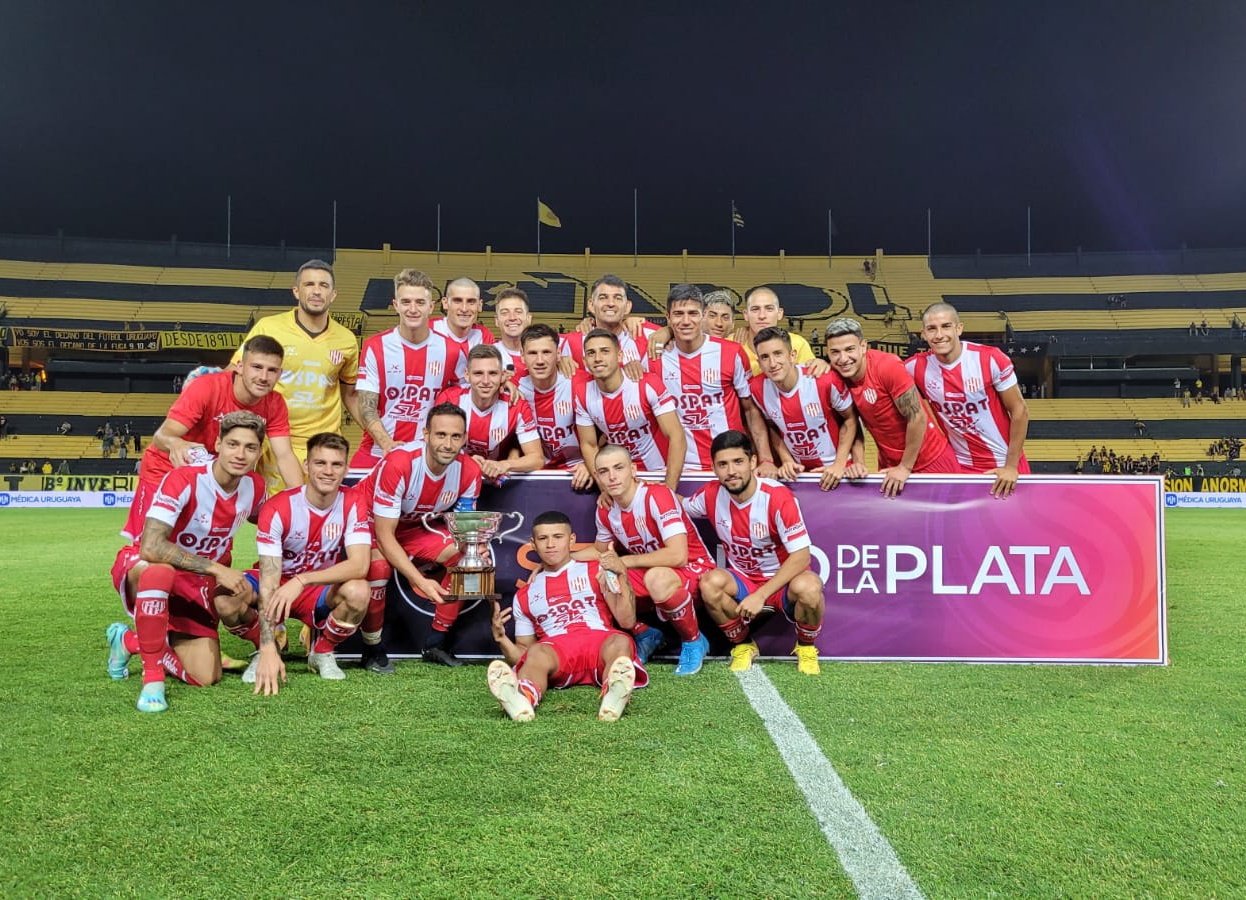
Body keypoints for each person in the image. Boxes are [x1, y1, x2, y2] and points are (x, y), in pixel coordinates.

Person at [104, 411, 268, 713]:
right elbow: (151, 547)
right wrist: (217, 569)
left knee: (205, 676)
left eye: (250, 447)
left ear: (259, 453)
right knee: (159, 572)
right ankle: (153, 680)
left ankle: (129, 641)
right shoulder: (184, 479)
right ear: (217, 444)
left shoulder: (255, 487)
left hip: (196, 582)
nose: (240, 454)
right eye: (233, 444)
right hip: (145, 567)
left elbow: (275, 522)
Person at [120, 334, 298, 542]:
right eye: (257, 367)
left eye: (272, 370)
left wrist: (301, 503)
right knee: (150, 546)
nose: (264, 377)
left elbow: (285, 455)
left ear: (280, 374)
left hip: (216, 478)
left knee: (207, 548)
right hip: (166, 470)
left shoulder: (275, 403)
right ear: (240, 367)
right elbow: (162, 436)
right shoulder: (207, 387)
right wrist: (177, 443)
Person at [682, 431, 825, 675]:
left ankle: (806, 647)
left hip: (783, 583)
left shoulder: (777, 497)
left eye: (738, 462)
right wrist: (637, 492)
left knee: (810, 587)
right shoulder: (710, 494)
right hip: (744, 581)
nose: (731, 471)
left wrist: (761, 595)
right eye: (723, 464)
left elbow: (802, 557)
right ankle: (743, 646)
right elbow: (677, 505)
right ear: (714, 468)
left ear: (753, 462)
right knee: (709, 583)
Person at [485, 510, 645, 722]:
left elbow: (627, 621)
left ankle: (614, 694)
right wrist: (501, 639)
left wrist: (621, 573)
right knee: (536, 652)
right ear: (533, 544)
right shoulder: (524, 595)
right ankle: (522, 698)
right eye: (543, 538)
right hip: (558, 650)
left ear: (571, 540)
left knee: (620, 640)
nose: (550, 544)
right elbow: (523, 654)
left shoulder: (597, 570)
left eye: (558, 537)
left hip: (599, 641)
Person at [248, 433, 373, 694]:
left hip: (317, 590)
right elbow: (269, 579)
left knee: (359, 591)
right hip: (278, 584)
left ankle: (321, 651)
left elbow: (360, 565)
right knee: (228, 597)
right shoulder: (277, 507)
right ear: (306, 465)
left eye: (336, 464)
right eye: (320, 463)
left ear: (346, 469)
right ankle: (267, 649)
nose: (328, 471)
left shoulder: (353, 502)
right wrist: (267, 646)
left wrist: (302, 580)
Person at [359, 403, 483, 666]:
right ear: (426, 434)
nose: (448, 444)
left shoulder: (470, 471)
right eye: (441, 435)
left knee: (471, 561)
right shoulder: (401, 462)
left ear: (464, 439)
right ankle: (372, 647)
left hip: (412, 527)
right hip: (367, 523)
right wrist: (420, 580)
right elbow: (384, 535)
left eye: (456, 437)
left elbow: (463, 530)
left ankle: (436, 643)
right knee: (379, 568)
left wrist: (472, 548)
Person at [232, 259, 362, 489]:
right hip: (275, 439)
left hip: (323, 444)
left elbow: (350, 394)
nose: (316, 291)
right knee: (275, 507)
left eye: (323, 285)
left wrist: (379, 436)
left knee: (319, 507)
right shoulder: (269, 328)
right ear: (296, 291)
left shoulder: (346, 340)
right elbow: (234, 374)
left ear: (333, 294)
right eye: (309, 284)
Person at [588, 444, 712, 675]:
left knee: (656, 577)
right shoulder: (605, 510)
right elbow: (600, 553)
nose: (612, 476)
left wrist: (624, 562)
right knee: (595, 577)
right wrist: (559, 560)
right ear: (598, 477)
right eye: (604, 471)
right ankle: (644, 633)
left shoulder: (657, 495)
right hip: (651, 571)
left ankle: (694, 640)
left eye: (618, 468)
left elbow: (678, 555)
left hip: (694, 569)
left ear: (633, 470)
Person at [823, 317, 961, 497]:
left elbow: (917, 417)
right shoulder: (838, 376)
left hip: (929, 461)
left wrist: (905, 467)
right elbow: (852, 421)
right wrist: (858, 462)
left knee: (948, 515)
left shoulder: (886, 366)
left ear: (863, 346)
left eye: (850, 349)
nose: (843, 359)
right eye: (835, 352)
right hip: (890, 466)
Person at [905, 302, 1030, 497]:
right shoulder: (914, 367)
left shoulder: (990, 359)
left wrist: (1011, 466)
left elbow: (1020, 411)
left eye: (946, 326)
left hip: (1004, 465)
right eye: (931, 329)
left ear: (959, 328)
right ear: (923, 334)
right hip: (960, 468)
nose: (939, 335)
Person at [352, 269, 469, 469]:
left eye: (420, 302)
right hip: (378, 451)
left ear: (431, 306)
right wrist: (387, 444)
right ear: (395, 305)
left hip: (428, 456)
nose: (413, 309)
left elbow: (468, 397)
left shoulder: (452, 351)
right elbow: (366, 407)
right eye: (406, 302)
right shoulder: (375, 346)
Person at [653, 284, 772, 471]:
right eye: (678, 314)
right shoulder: (654, 356)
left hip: (728, 465)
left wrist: (765, 459)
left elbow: (750, 410)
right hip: (678, 467)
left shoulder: (732, 353)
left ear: (702, 315)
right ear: (668, 318)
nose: (686, 321)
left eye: (693, 313)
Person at [750, 326, 867, 487]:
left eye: (778, 354)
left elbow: (851, 419)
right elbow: (773, 427)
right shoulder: (757, 388)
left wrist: (839, 464)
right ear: (759, 362)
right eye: (765, 357)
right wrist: (787, 460)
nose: (772, 363)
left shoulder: (823, 380)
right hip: (798, 474)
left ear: (792, 356)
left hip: (837, 471)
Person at [573, 329, 687, 490]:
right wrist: (604, 487)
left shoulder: (647, 384)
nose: (598, 358)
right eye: (591, 353)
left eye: (605, 351)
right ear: (585, 361)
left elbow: (677, 436)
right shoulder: (582, 393)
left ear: (619, 356)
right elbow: (589, 445)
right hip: (617, 480)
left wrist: (669, 489)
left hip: (657, 473)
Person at [435, 344, 544, 481]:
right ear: (467, 375)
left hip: (499, 483)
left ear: (502, 376)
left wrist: (504, 465)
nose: (485, 381)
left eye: (492, 373)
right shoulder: (449, 400)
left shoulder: (517, 406)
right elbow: (433, 447)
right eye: (478, 373)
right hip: (455, 477)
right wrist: (466, 461)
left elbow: (537, 459)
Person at [515, 323, 593, 488]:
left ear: (558, 354)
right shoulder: (514, 386)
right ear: (522, 356)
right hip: (535, 473)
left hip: (578, 471)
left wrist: (592, 463)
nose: (540, 361)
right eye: (532, 353)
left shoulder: (581, 382)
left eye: (546, 352)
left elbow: (608, 430)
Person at [560, 274, 658, 374]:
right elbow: (550, 344)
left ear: (627, 306)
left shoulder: (647, 334)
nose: (611, 303)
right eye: (603, 297)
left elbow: (669, 332)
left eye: (618, 298)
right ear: (591, 305)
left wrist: (666, 332)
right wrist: (558, 360)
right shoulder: (572, 341)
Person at [734, 287, 825, 377]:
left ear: (779, 313)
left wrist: (822, 364)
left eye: (769, 309)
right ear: (746, 315)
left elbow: (811, 378)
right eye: (755, 309)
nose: (762, 316)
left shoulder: (798, 343)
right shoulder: (732, 342)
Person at [431, 277, 497, 349]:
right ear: (445, 303)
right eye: (457, 301)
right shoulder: (426, 331)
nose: (464, 309)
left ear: (479, 305)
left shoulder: (484, 336)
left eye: (471, 302)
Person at [491, 287, 532, 379]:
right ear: (496, 321)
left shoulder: (544, 355)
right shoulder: (488, 356)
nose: (512, 317)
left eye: (518, 312)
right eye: (504, 313)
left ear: (528, 318)